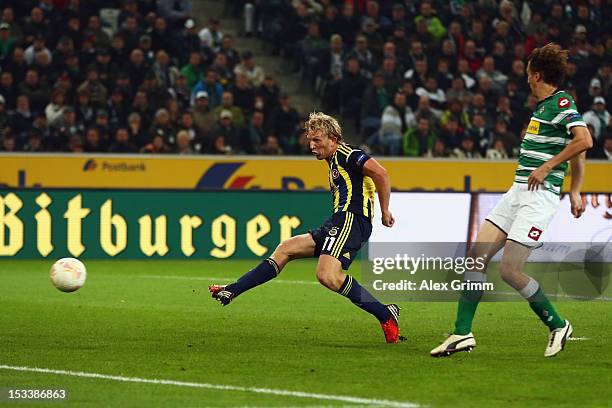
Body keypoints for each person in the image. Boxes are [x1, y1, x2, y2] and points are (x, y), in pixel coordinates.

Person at [431, 43, 592, 358]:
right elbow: (577, 147)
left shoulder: (562, 101)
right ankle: (462, 333)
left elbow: (584, 140)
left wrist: (557, 175)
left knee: (510, 271)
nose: (526, 80)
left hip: (539, 198)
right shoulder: (543, 107)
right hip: (518, 191)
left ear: (536, 74)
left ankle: (558, 324)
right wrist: (575, 188)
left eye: (528, 74)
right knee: (475, 257)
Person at [209, 112, 401, 343]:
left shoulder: (347, 153)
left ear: (333, 138)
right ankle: (234, 289)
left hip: (352, 219)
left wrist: (385, 210)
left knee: (327, 275)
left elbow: (381, 173)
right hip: (338, 221)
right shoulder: (333, 161)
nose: (312, 145)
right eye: (310, 140)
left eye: (317, 140)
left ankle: (384, 314)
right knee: (286, 248)